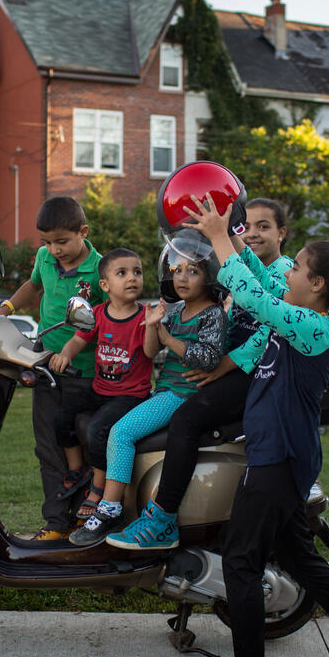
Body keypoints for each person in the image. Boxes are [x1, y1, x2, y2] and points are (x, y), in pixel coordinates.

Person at [181, 195, 329, 657]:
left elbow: (255, 298)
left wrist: (219, 240)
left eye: (296, 267)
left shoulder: (313, 327)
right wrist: (232, 240)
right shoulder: (298, 314)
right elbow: (262, 280)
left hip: (278, 460)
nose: (289, 272)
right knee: (299, 556)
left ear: (316, 284)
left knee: (241, 560)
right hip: (281, 455)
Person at [108, 198, 292, 549]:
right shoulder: (244, 267)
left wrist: (224, 363)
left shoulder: (285, 271)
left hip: (255, 370)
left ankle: (162, 518)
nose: (252, 234)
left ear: (282, 233)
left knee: (186, 419)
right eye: (246, 226)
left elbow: (272, 326)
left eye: (263, 226)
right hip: (227, 367)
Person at [69, 231, 227, 547]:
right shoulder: (176, 311)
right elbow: (151, 351)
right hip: (166, 391)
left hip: (183, 394)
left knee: (120, 432)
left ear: (209, 275)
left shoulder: (212, 314)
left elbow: (208, 359)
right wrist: (154, 327)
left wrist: (169, 338)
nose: (182, 277)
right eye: (177, 270)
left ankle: (109, 508)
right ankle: (124, 502)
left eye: (193, 271)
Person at [0, 196, 106, 540]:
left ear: (83, 232)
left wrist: (75, 350)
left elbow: (108, 318)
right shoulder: (45, 258)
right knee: (47, 446)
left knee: (84, 446)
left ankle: (86, 520)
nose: (54, 250)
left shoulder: (100, 269)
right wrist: (6, 308)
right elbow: (33, 285)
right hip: (46, 368)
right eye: (46, 242)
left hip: (84, 374)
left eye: (61, 241)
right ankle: (56, 523)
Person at [48, 248, 152, 524]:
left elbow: (151, 352)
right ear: (104, 286)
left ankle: (98, 487)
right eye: (122, 273)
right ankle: (76, 469)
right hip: (100, 389)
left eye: (137, 272)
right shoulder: (97, 313)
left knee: (98, 430)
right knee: (62, 416)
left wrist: (154, 327)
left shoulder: (145, 317)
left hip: (131, 395)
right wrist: (65, 354)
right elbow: (78, 340)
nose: (132, 278)